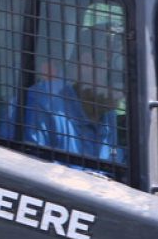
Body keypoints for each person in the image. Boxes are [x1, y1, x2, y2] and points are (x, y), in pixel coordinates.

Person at [21, 21, 125, 166]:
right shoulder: (41, 106)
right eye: (116, 73)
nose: (123, 86)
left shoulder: (106, 114)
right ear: (87, 64)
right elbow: (29, 177)